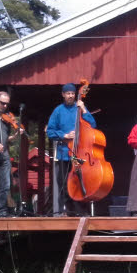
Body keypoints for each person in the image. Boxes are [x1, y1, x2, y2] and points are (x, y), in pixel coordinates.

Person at [46, 82, 97, 217]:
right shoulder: (58, 111)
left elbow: (92, 126)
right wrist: (64, 135)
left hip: (80, 153)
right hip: (64, 153)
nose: (70, 96)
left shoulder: (80, 108)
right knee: (64, 184)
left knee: (81, 183)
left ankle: (82, 212)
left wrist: (84, 109)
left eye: (73, 93)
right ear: (63, 94)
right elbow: (50, 131)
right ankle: (68, 212)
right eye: (68, 93)